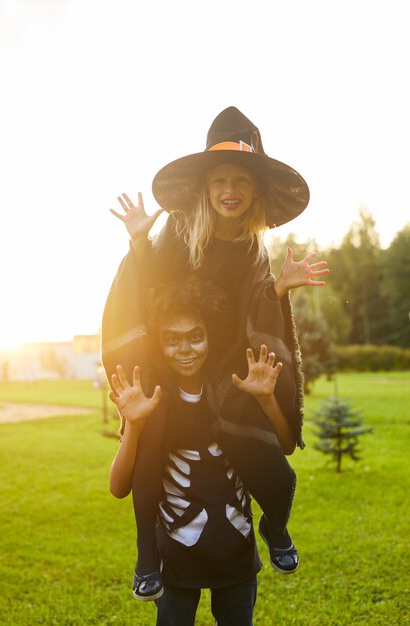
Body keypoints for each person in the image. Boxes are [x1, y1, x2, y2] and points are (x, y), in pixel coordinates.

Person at [102, 106, 329, 598]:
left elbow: (255, 308)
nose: (230, 189)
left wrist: (279, 291)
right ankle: (147, 552)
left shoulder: (251, 248)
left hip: (225, 367)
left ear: (254, 192)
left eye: (241, 181)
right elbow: (150, 284)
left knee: (264, 439)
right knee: (150, 432)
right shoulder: (181, 232)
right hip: (175, 353)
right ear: (205, 188)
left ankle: (275, 524)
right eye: (220, 179)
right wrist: (140, 240)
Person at [109, 277, 298, 625]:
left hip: (236, 551)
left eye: (196, 336)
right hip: (175, 556)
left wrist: (266, 399)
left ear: (211, 336)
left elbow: (285, 446)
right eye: (173, 340)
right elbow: (119, 487)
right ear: (159, 345)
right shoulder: (150, 399)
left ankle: (277, 527)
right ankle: (144, 555)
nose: (185, 349)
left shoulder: (234, 390)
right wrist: (133, 425)